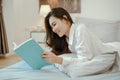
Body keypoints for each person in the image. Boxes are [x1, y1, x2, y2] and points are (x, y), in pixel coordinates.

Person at [42, 7, 120, 77]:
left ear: (65, 19)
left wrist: (59, 60)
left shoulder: (80, 29)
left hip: (109, 53)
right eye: (51, 27)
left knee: (74, 70)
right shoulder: (66, 38)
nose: (53, 30)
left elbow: (84, 60)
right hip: (97, 55)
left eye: (54, 24)